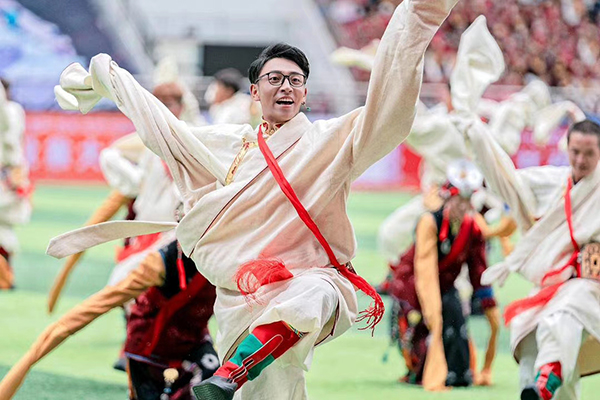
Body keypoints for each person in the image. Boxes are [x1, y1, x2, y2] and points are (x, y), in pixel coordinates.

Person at [50, 1, 460, 398]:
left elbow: (386, 110)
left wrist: (417, 16)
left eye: (295, 80)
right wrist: (110, 78)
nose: (286, 86)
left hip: (311, 280)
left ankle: (231, 373)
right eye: (274, 78)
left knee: (315, 294)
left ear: (305, 94)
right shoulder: (229, 144)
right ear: (254, 91)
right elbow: (165, 132)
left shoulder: (330, 141)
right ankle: (233, 377)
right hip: (241, 298)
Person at [456, 115, 600, 400]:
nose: (581, 160)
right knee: (528, 336)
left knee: (560, 319)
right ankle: (534, 388)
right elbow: (507, 180)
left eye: (590, 153)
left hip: (590, 288)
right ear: (567, 148)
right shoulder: (553, 181)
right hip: (550, 285)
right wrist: (480, 140)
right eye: (576, 152)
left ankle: (547, 378)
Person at [0, 240, 218, 400]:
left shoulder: (229, 252)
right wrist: (23, 367)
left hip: (195, 341)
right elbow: (92, 308)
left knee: (215, 378)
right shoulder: (161, 263)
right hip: (150, 349)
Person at [388, 160, 499, 391]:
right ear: (448, 197)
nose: (463, 204)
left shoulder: (472, 228)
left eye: (468, 199)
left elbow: (479, 271)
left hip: (446, 286)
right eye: (459, 198)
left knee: (457, 331)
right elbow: (424, 271)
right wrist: (433, 315)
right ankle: (420, 368)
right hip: (413, 286)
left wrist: (490, 308)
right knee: (422, 334)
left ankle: (457, 372)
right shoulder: (429, 222)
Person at [0, 78, 32, 290]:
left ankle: (5, 279)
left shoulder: (11, 112)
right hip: (12, 173)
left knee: (4, 230)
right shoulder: (15, 111)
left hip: (8, 173)